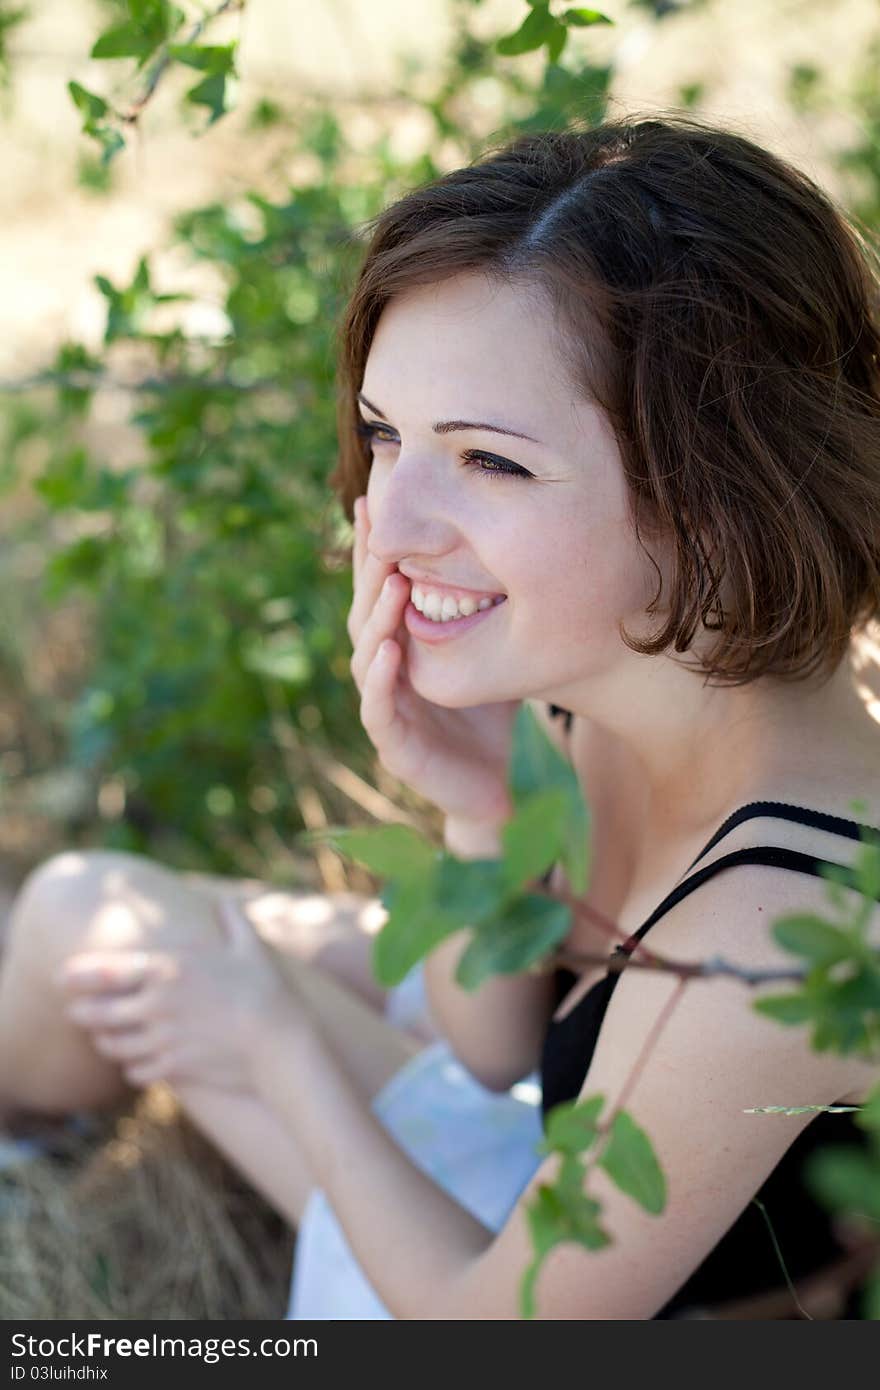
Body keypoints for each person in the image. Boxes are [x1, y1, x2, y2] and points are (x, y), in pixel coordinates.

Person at [2, 111, 880, 1320]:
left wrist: (274, 1047)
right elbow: (495, 1052)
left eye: (490, 461)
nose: (388, 521)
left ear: (723, 489)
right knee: (76, 913)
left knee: (136, 938)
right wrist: (481, 814)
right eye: (384, 433)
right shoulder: (618, 679)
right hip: (539, 1174)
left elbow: (490, 1329)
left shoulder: (789, 916)